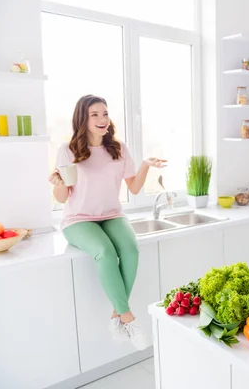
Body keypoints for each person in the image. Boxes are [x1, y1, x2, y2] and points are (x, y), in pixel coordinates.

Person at [48, 94, 166, 350]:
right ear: (83, 119)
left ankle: (116, 315)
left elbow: (134, 189)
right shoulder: (67, 151)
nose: (103, 119)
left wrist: (145, 164)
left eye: (105, 113)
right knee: (105, 252)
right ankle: (128, 318)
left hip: (112, 215)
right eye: (95, 115)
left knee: (131, 250)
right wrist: (58, 184)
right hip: (77, 220)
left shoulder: (118, 149)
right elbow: (63, 196)